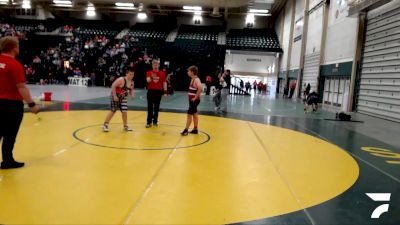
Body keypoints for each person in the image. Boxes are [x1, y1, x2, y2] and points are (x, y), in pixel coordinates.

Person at [0, 36, 40, 169]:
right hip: (11, 105)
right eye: (17, 45)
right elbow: (21, 87)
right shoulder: (14, 65)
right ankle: (7, 161)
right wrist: (32, 104)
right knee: (10, 135)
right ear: (13, 47)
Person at [103, 67, 135, 132]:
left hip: (123, 97)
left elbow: (131, 89)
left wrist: (132, 94)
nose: (131, 76)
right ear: (126, 74)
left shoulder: (132, 82)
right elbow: (113, 85)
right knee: (113, 110)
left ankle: (125, 126)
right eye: (130, 74)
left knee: (124, 111)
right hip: (115, 96)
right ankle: (105, 124)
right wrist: (114, 96)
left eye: (133, 74)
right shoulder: (121, 79)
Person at [181, 66, 202, 136]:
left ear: (192, 72)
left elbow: (200, 88)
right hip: (193, 100)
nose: (187, 72)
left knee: (189, 114)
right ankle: (195, 129)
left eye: (189, 71)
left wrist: (195, 97)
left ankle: (186, 130)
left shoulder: (196, 79)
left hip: (194, 101)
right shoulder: (193, 79)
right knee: (194, 114)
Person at [146, 59, 167, 128]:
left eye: (157, 64)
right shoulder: (149, 72)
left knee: (156, 108)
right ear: (152, 65)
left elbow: (164, 83)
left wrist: (165, 92)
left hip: (158, 92)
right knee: (150, 107)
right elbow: (148, 81)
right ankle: (149, 122)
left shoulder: (162, 73)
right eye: (154, 64)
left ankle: (155, 121)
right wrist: (152, 77)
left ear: (159, 65)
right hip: (150, 91)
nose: (155, 65)